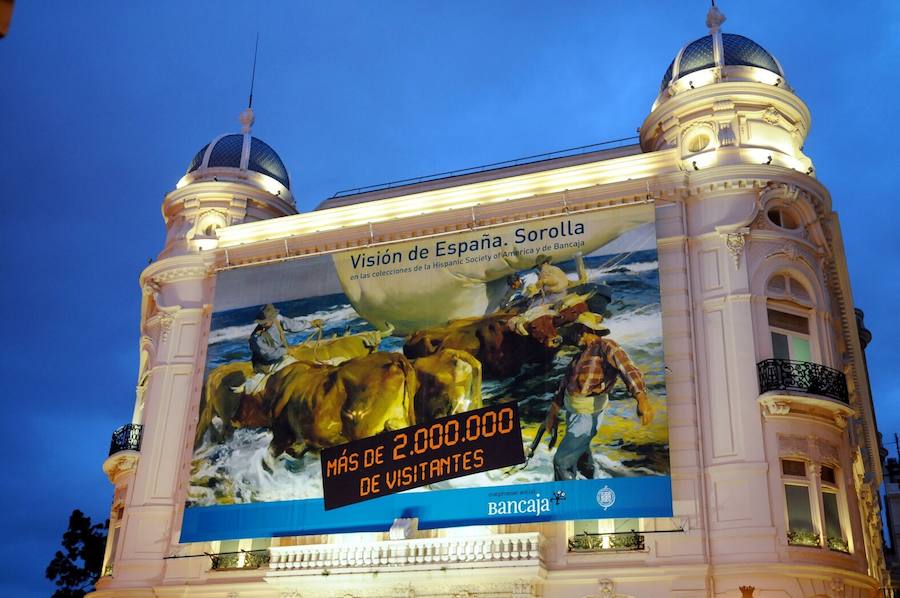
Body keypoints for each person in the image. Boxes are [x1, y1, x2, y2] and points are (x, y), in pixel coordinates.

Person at [543, 311, 654, 480]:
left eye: (580, 329)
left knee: (561, 462)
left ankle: (568, 502)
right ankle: (592, 483)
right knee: (581, 457)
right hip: (574, 414)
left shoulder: (606, 346)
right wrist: (552, 415)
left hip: (586, 415)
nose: (576, 334)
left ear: (589, 331)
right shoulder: (579, 356)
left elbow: (628, 369)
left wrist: (642, 399)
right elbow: (563, 387)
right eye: (576, 330)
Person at [240, 304, 306, 394]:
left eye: (266, 321)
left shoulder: (277, 319)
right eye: (263, 322)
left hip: (283, 357)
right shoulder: (256, 337)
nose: (264, 324)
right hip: (267, 364)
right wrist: (286, 350)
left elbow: (293, 325)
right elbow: (269, 355)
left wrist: (311, 324)